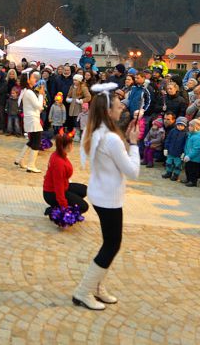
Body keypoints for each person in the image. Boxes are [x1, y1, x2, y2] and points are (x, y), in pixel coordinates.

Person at [71, 82, 140, 311]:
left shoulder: (96, 131)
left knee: (109, 243)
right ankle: (83, 291)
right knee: (111, 245)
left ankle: (97, 287)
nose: (122, 108)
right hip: (108, 198)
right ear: (108, 111)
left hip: (100, 192)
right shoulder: (110, 138)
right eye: (119, 106)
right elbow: (133, 172)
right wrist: (134, 143)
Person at [42, 128, 88, 214]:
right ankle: (55, 209)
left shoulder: (58, 153)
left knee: (84, 189)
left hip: (63, 186)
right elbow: (58, 186)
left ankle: (66, 202)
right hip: (52, 193)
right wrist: (64, 206)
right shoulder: (59, 162)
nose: (72, 146)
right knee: (84, 207)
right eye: (71, 144)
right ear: (67, 146)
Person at [15, 70, 46, 173]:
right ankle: (31, 165)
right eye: (33, 77)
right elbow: (39, 106)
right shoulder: (29, 92)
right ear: (28, 80)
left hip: (30, 118)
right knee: (36, 142)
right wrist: (41, 95)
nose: (35, 79)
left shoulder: (26, 91)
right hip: (33, 119)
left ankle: (19, 159)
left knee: (32, 141)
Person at [182, 118, 200, 187]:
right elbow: (187, 145)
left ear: (196, 127)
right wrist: (185, 153)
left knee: (193, 170)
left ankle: (193, 181)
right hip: (188, 156)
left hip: (194, 158)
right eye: (189, 126)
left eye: (191, 126)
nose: (189, 127)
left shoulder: (198, 137)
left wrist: (189, 156)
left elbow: (196, 149)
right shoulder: (191, 135)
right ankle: (188, 179)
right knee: (187, 168)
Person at [163, 117, 188, 181]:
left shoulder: (186, 134)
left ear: (185, 126)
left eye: (182, 125)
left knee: (178, 165)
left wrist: (183, 152)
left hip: (179, 153)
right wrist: (166, 148)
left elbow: (186, 144)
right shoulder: (172, 131)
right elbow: (168, 139)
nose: (180, 127)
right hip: (170, 151)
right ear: (176, 124)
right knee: (169, 163)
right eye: (178, 125)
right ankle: (168, 173)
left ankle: (176, 175)